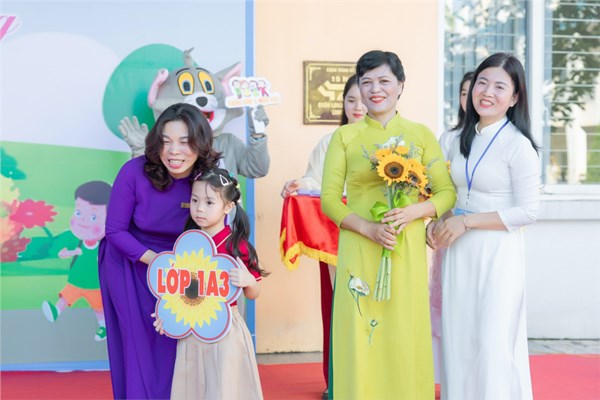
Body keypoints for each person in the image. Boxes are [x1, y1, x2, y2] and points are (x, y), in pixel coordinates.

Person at [321, 50, 456, 399]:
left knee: (403, 329)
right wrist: (367, 228)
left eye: (384, 81)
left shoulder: (420, 135)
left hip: (404, 247)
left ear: (401, 85)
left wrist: (415, 212)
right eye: (366, 82)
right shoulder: (345, 137)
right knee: (359, 330)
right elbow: (330, 199)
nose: (375, 89)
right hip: (359, 246)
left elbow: (446, 193)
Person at [430, 53, 540, 399]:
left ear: (515, 97)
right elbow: (449, 194)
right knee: (458, 338)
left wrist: (467, 222)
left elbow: (528, 211)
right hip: (457, 251)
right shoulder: (456, 139)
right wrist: (438, 221)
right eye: (482, 82)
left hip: (497, 252)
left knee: (492, 341)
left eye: (499, 86)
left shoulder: (518, 146)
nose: (487, 92)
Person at [99, 103, 220, 399]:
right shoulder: (133, 171)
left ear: (200, 143)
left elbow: (217, 229)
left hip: (182, 267)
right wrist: (158, 262)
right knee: (137, 345)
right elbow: (114, 231)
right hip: (129, 260)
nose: (174, 151)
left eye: (184, 142)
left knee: (176, 343)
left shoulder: (208, 179)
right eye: (166, 142)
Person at [280, 75, 366, 396]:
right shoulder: (329, 143)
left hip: (375, 238)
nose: (357, 106)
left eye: (363, 100)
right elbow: (312, 182)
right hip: (335, 238)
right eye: (351, 100)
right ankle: (341, 382)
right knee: (340, 306)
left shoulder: (388, 142)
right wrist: (296, 186)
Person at [159, 168, 267, 400]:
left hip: (226, 330)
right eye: (195, 200)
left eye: (209, 202)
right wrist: (167, 316)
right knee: (192, 388)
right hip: (192, 329)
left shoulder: (237, 246)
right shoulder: (187, 243)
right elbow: (179, 291)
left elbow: (254, 292)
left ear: (228, 207)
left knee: (224, 389)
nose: (199, 208)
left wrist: (248, 281)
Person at [427, 71, 473, 384]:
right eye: (464, 92)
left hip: (480, 229)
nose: (470, 98)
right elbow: (437, 187)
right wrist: (436, 220)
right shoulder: (449, 138)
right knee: (446, 303)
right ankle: (447, 377)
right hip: (449, 230)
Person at [42, 180, 112, 341]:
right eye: (79, 213)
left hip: (95, 284)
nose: (83, 221)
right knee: (65, 297)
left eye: (93, 217)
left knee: (98, 308)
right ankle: (55, 311)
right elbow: (62, 254)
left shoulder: (105, 244)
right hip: (75, 281)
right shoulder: (77, 241)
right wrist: (69, 252)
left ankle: (103, 327)